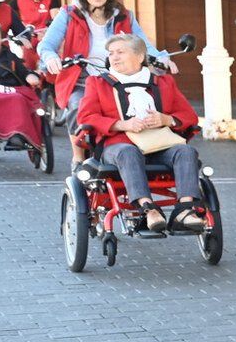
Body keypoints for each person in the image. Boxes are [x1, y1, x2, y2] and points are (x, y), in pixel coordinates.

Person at [75, 34, 205, 235]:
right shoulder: (98, 83)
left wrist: (166, 119)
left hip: (158, 144)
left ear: (140, 56)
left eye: (121, 52)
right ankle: (148, 209)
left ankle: (184, 211)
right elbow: (86, 116)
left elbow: (189, 116)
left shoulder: (163, 83)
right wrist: (121, 124)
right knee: (128, 152)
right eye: (111, 53)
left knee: (186, 151)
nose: (114, 57)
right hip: (118, 145)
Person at [39, 0, 168, 143]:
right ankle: (78, 158)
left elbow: (144, 46)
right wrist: (51, 57)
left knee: (146, 104)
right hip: (82, 79)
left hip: (120, 78)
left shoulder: (124, 16)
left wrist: (162, 58)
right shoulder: (69, 14)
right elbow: (46, 46)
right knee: (78, 106)